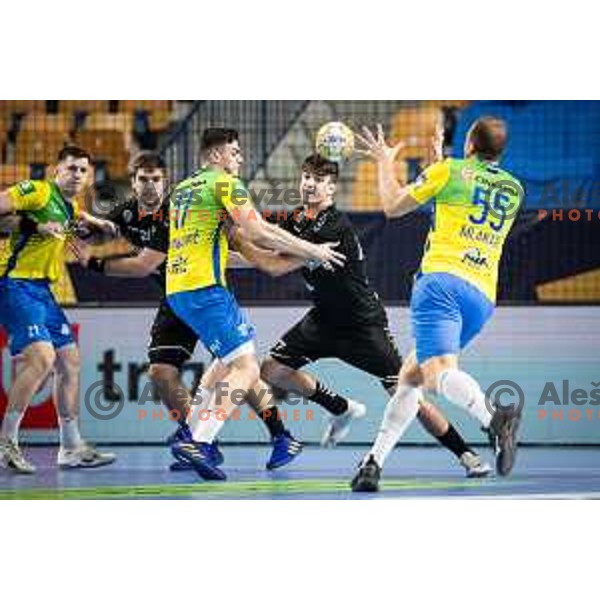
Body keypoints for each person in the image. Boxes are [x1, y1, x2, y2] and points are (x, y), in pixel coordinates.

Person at [232, 153, 491, 477]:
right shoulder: (296, 219)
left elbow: (271, 265)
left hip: (363, 325)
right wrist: (220, 257)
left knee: (409, 396)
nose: (310, 184)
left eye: (319, 180)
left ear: (332, 188)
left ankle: (467, 454)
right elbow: (266, 254)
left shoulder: (333, 226)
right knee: (272, 370)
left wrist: (237, 237)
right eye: (306, 177)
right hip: (323, 319)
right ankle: (341, 408)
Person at [71, 151, 303, 470]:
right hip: (176, 298)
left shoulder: (177, 210)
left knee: (239, 367)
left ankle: (276, 435)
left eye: (156, 179)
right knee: (161, 373)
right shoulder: (128, 213)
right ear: (133, 182)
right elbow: (109, 230)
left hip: (204, 290)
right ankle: (198, 441)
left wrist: (94, 263)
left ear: (165, 182)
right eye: (143, 179)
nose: (150, 186)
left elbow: (144, 265)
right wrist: (89, 227)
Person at [351, 117, 524, 492]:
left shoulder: (449, 171)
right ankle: (373, 464)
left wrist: (385, 162)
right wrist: (437, 168)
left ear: (468, 145)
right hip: (481, 297)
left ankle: (494, 418)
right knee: (410, 378)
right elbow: (456, 206)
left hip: (441, 284)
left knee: (436, 373)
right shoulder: (513, 188)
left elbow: (393, 206)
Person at [166, 128, 346, 480]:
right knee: (247, 369)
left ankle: (198, 434)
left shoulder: (182, 190)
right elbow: (259, 229)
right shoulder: (224, 184)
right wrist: (312, 250)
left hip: (179, 288)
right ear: (216, 155)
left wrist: (277, 258)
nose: (240, 158)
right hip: (206, 290)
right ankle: (200, 442)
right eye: (234, 151)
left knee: (226, 363)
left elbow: (217, 250)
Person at [0, 145, 117, 473]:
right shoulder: (36, 192)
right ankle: (6, 443)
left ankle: (70, 446)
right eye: (71, 168)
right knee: (42, 359)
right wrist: (35, 228)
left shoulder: (70, 206)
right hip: (14, 284)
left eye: (83, 170)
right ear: (56, 171)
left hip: (42, 291)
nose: (77, 175)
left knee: (70, 361)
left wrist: (100, 223)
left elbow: (75, 217)